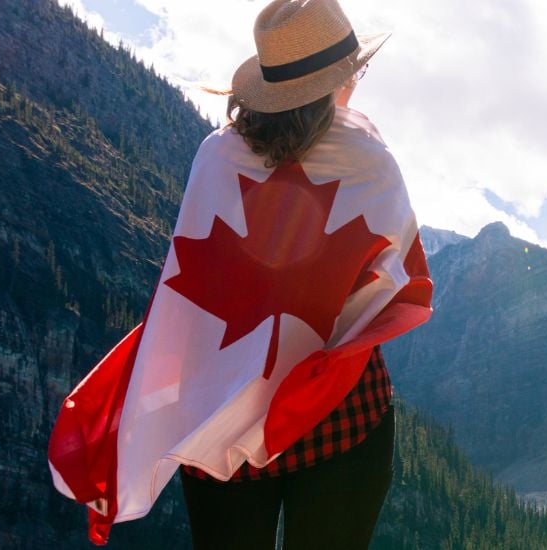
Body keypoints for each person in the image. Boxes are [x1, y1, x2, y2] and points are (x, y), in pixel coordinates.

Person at [172, 0, 408, 547]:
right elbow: (394, 276)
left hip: (220, 408)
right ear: (336, 81)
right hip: (339, 410)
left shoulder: (215, 155)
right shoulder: (369, 160)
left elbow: (188, 277)